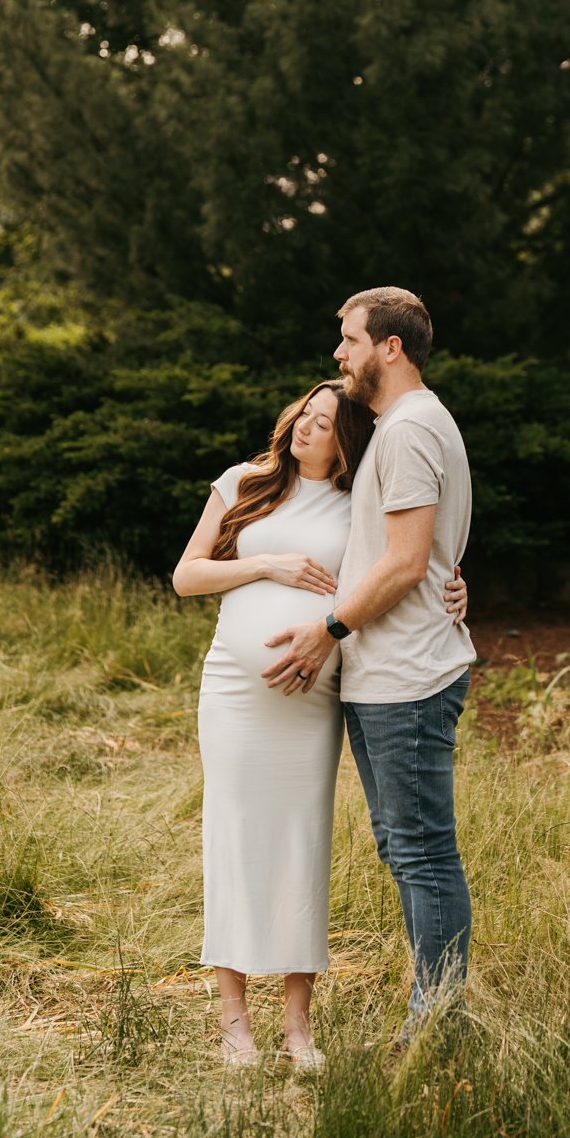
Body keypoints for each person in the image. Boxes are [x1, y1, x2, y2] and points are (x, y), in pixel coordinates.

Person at [173, 379, 467, 1069]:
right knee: (233, 835)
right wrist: (264, 564)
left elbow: (406, 558)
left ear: (348, 440)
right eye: (303, 414)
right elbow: (187, 575)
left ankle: (298, 1027)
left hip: (311, 698)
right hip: (233, 693)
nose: (306, 428)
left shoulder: (358, 500)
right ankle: (233, 1018)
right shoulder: (245, 482)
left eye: (324, 423)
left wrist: (454, 583)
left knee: (301, 845)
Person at [264, 288, 475, 1045]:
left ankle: (437, 1022)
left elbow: (407, 561)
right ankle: (434, 1010)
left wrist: (327, 628)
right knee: (404, 846)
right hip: (389, 673)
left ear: (389, 347)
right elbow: (426, 555)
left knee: (421, 850)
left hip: (409, 678)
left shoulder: (412, 428)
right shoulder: (404, 428)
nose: (338, 355)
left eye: (349, 340)